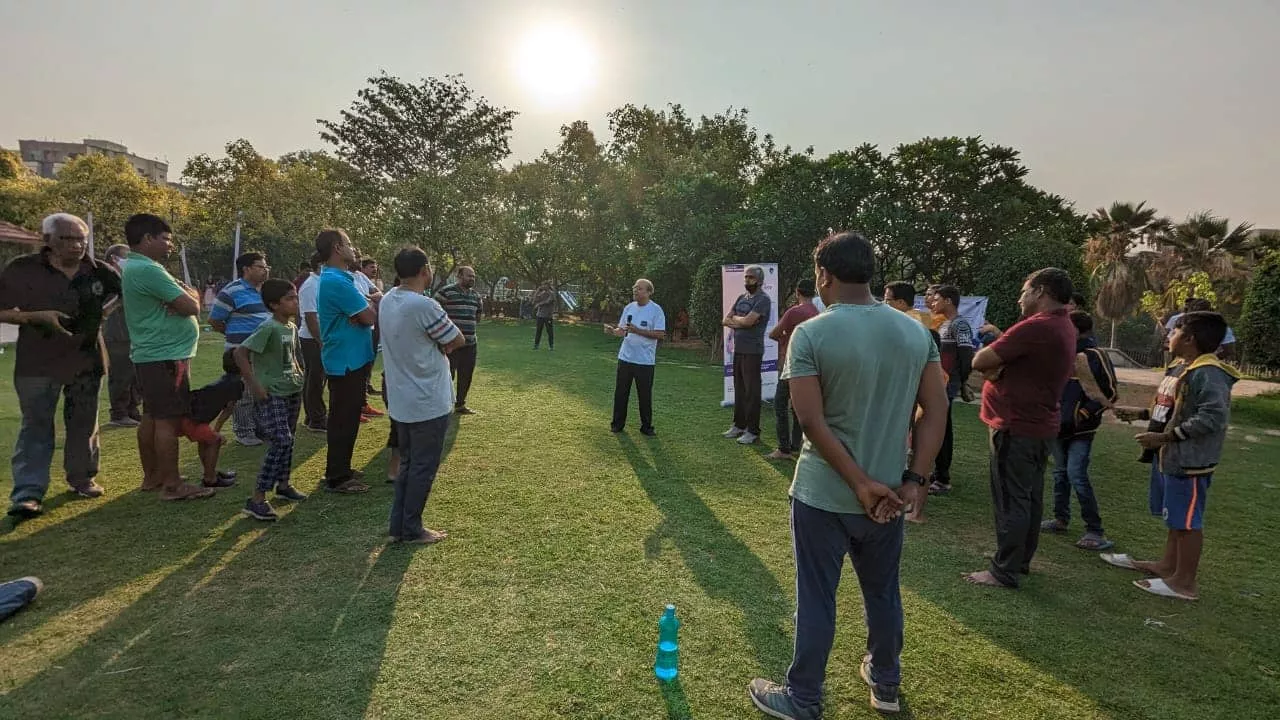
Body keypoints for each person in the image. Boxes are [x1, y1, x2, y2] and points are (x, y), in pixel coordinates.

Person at [747, 232, 948, 718]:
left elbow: (810, 421)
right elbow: (936, 410)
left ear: (824, 276)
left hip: (825, 493)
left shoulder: (812, 332)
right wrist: (915, 480)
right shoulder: (914, 332)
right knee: (882, 591)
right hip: (889, 495)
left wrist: (859, 483)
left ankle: (804, 697)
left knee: (816, 596)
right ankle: (886, 683)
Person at [1102, 311, 1237, 601]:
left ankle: (1184, 583)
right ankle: (1167, 566)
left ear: (1189, 338)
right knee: (1175, 517)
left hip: (1189, 461)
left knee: (1188, 521)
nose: (1168, 336)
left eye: (1174, 331)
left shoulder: (1209, 373)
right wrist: (1142, 414)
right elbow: (1176, 409)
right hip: (1170, 456)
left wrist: (1165, 437)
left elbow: (1212, 417)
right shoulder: (1181, 367)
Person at [0, 213, 120, 518]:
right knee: (36, 426)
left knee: (83, 424)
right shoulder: (23, 270)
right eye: (67, 238)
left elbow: (121, 293)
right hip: (38, 361)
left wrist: (104, 313)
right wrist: (35, 316)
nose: (76, 245)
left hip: (86, 359)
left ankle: (82, 478)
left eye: (81, 238)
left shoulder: (98, 271)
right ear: (47, 240)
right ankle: (28, 493)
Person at [964, 267, 1077, 589]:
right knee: (1028, 496)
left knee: (1011, 498)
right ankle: (1017, 558)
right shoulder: (1061, 325)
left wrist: (997, 369)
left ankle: (1004, 569)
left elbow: (981, 360)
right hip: (1037, 424)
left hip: (1016, 424)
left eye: (1025, 291)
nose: (1020, 298)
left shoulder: (1037, 327)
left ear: (1041, 291)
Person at [121, 213, 214, 501]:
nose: (170, 245)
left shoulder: (137, 267)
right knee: (167, 420)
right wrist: (190, 297)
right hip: (165, 356)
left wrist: (188, 296)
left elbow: (187, 299)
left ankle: (154, 475)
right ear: (148, 238)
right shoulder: (149, 270)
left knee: (152, 415)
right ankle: (172, 484)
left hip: (153, 354)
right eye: (166, 239)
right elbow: (190, 305)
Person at [380, 247, 465, 544]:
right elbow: (457, 338)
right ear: (424, 270)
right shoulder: (423, 305)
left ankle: (399, 526)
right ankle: (412, 528)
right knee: (422, 467)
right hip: (427, 400)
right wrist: (442, 346)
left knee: (408, 464)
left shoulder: (388, 299)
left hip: (402, 400)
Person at [1041, 311, 1118, 551]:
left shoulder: (1094, 356)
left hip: (1080, 430)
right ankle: (1060, 518)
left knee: (1077, 475)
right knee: (1060, 474)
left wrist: (1083, 413)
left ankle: (1095, 530)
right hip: (1057, 426)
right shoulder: (1061, 354)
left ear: (1077, 330)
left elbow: (1110, 393)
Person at [234, 279, 309, 521]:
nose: (295, 302)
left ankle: (284, 484)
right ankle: (257, 499)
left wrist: (301, 374)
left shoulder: (291, 326)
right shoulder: (268, 327)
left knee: (289, 439)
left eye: (295, 297)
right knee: (281, 440)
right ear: (274, 304)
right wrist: (254, 385)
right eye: (289, 298)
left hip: (291, 389)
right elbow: (240, 353)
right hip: (272, 392)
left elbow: (293, 356)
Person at [315, 229, 376, 494]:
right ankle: (337, 476)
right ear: (337, 248)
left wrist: (363, 310)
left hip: (352, 357)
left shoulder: (341, 278)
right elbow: (370, 316)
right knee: (343, 418)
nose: (354, 248)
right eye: (349, 244)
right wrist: (363, 310)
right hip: (344, 360)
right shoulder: (335, 281)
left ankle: (341, 467)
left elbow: (365, 312)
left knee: (349, 417)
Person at [209, 251, 272, 446]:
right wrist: (237, 337)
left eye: (266, 267)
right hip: (241, 351)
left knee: (261, 390)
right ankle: (244, 431)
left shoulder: (266, 291)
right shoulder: (231, 291)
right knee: (243, 393)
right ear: (246, 269)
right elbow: (215, 320)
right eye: (261, 267)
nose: (265, 271)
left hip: (263, 352)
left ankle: (261, 428)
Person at [765, 278, 820, 460]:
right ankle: (796, 445)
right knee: (797, 406)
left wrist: (783, 340)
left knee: (780, 404)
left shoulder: (794, 312)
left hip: (791, 363)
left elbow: (774, 332)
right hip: (810, 366)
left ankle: (783, 448)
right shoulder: (817, 312)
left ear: (797, 292)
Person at [928, 285, 975, 495]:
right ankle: (936, 473)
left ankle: (943, 478)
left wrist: (962, 382)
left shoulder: (960, 324)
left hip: (949, 384)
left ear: (948, 301)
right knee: (936, 428)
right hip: (939, 383)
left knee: (943, 430)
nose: (933, 303)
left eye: (937, 299)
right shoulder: (943, 324)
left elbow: (966, 356)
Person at [605, 278, 666, 436]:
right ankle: (617, 425)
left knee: (644, 395)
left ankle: (646, 427)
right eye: (634, 288)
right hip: (625, 358)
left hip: (644, 361)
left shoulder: (656, 310)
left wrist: (638, 330)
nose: (635, 290)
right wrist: (613, 331)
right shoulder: (629, 308)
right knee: (620, 393)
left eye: (639, 288)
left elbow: (660, 334)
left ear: (648, 292)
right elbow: (622, 330)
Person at [722, 265, 772, 445]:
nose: (747, 281)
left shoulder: (763, 300)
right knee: (740, 389)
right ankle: (738, 425)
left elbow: (750, 322)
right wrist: (740, 321)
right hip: (738, 349)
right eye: (745, 278)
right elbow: (725, 319)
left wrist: (739, 320)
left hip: (753, 350)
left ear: (759, 280)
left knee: (752, 391)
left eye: (750, 278)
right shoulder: (741, 297)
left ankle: (753, 430)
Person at [102, 244, 142, 428]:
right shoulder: (107, 279)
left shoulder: (128, 277)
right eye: (127, 257)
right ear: (114, 259)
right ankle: (118, 413)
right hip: (117, 334)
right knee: (121, 375)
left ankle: (132, 410)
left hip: (132, 333)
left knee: (134, 375)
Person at [435, 265, 482, 415]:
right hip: (450, 344)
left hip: (470, 344)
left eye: (473, 276)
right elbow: (435, 314)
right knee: (447, 374)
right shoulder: (446, 292)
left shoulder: (476, 296)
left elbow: (478, 317)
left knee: (466, 374)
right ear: (459, 276)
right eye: (469, 276)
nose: (472, 279)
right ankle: (443, 406)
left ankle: (460, 404)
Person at [296, 260, 327, 432]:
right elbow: (310, 317)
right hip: (312, 338)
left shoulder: (320, 282)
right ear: (320, 265)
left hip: (317, 337)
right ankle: (317, 419)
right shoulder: (310, 286)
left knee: (315, 378)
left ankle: (312, 416)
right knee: (314, 379)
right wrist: (321, 341)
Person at [532, 281, 557, 351]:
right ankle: (536, 345)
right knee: (538, 331)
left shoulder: (552, 294)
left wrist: (539, 304)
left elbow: (548, 301)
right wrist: (537, 291)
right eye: (542, 285)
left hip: (548, 316)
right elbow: (534, 300)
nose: (543, 286)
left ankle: (551, 346)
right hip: (540, 315)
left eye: (544, 285)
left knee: (549, 331)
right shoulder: (542, 293)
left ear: (548, 286)